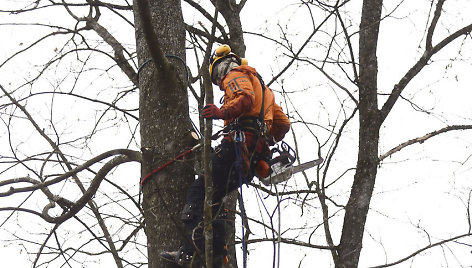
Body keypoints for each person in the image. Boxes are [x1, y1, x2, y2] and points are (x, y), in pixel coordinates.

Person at [160, 44, 290, 267]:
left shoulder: (235, 74)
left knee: (198, 193)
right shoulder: (265, 90)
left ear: (220, 67)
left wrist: (223, 112)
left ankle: (194, 252)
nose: (220, 84)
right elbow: (283, 124)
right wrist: (262, 139)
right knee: (213, 200)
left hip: (236, 148)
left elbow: (245, 98)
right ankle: (216, 254)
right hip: (252, 157)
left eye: (217, 78)